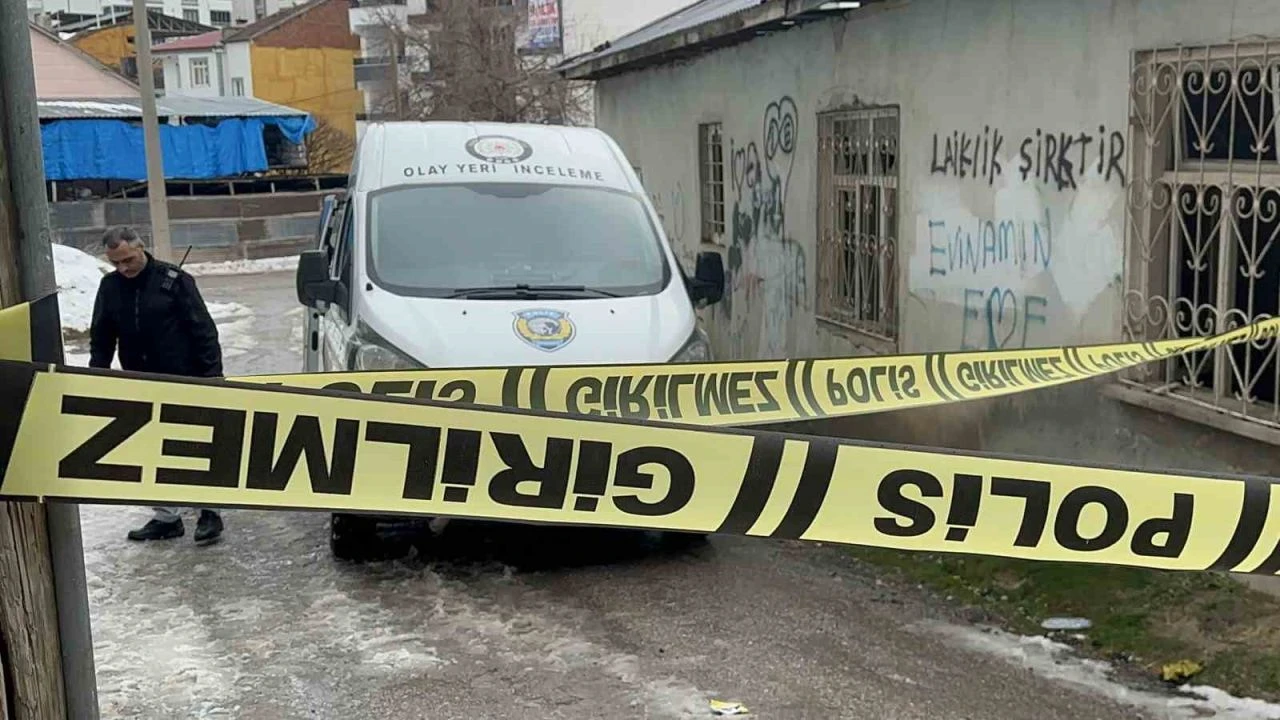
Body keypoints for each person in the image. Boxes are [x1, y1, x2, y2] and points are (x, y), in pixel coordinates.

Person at [89, 226, 227, 546]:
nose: (123, 268)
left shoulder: (174, 281)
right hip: (141, 381)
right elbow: (102, 336)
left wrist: (213, 376)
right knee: (152, 449)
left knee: (195, 446)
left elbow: (204, 331)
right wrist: (97, 375)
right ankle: (167, 517)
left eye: (127, 260)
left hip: (185, 378)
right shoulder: (110, 287)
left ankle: (210, 512)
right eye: (115, 263)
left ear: (141, 248)